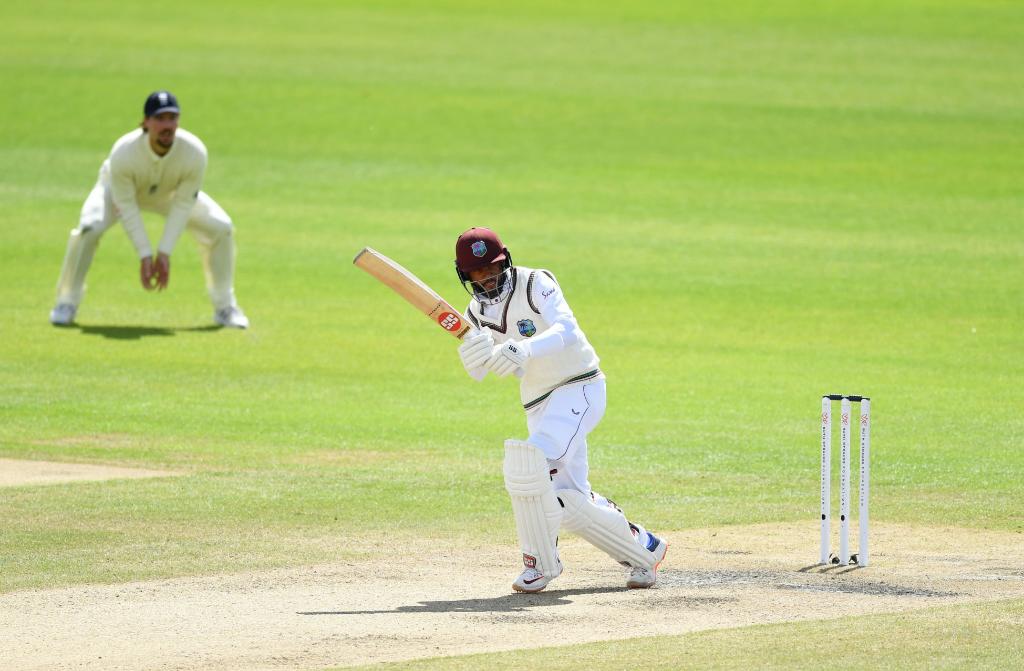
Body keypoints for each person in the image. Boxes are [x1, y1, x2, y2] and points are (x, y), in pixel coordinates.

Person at [454, 227, 667, 592]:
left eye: (493, 269)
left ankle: (540, 565)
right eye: (478, 274)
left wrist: (525, 348)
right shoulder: (475, 311)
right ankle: (644, 549)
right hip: (538, 401)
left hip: (580, 386)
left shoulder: (537, 282)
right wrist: (471, 355)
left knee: (531, 465)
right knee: (568, 497)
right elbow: (479, 371)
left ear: (506, 261)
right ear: (466, 276)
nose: (487, 279)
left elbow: (567, 329)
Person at [49, 90, 249, 328]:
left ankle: (225, 307)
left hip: (168, 194)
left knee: (221, 227)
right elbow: (126, 207)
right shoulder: (123, 152)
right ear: (145, 122)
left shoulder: (194, 152)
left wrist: (163, 253)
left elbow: (184, 204)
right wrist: (145, 254)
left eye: (172, 118)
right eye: (160, 118)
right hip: (117, 192)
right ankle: (66, 302)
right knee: (89, 228)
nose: (167, 125)